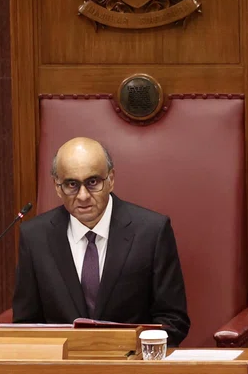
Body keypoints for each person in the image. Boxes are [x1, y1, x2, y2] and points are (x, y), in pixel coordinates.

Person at [11, 137, 190, 346]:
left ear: (111, 179)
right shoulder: (35, 238)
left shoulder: (151, 232)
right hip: (63, 370)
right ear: (57, 187)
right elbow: (26, 323)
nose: (83, 196)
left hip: (132, 367)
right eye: (71, 184)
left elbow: (173, 320)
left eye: (93, 182)